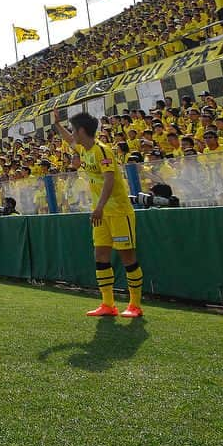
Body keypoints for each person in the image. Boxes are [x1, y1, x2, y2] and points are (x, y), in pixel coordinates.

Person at [53, 109, 144, 319]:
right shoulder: (84, 150)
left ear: (82, 130)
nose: (72, 133)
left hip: (118, 211)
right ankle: (108, 304)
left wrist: (100, 207)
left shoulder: (102, 150)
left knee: (127, 257)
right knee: (100, 255)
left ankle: (135, 305)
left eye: (74, 130)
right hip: (100, 214)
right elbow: (68, 140)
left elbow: (110, 179)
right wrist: (57, 125)